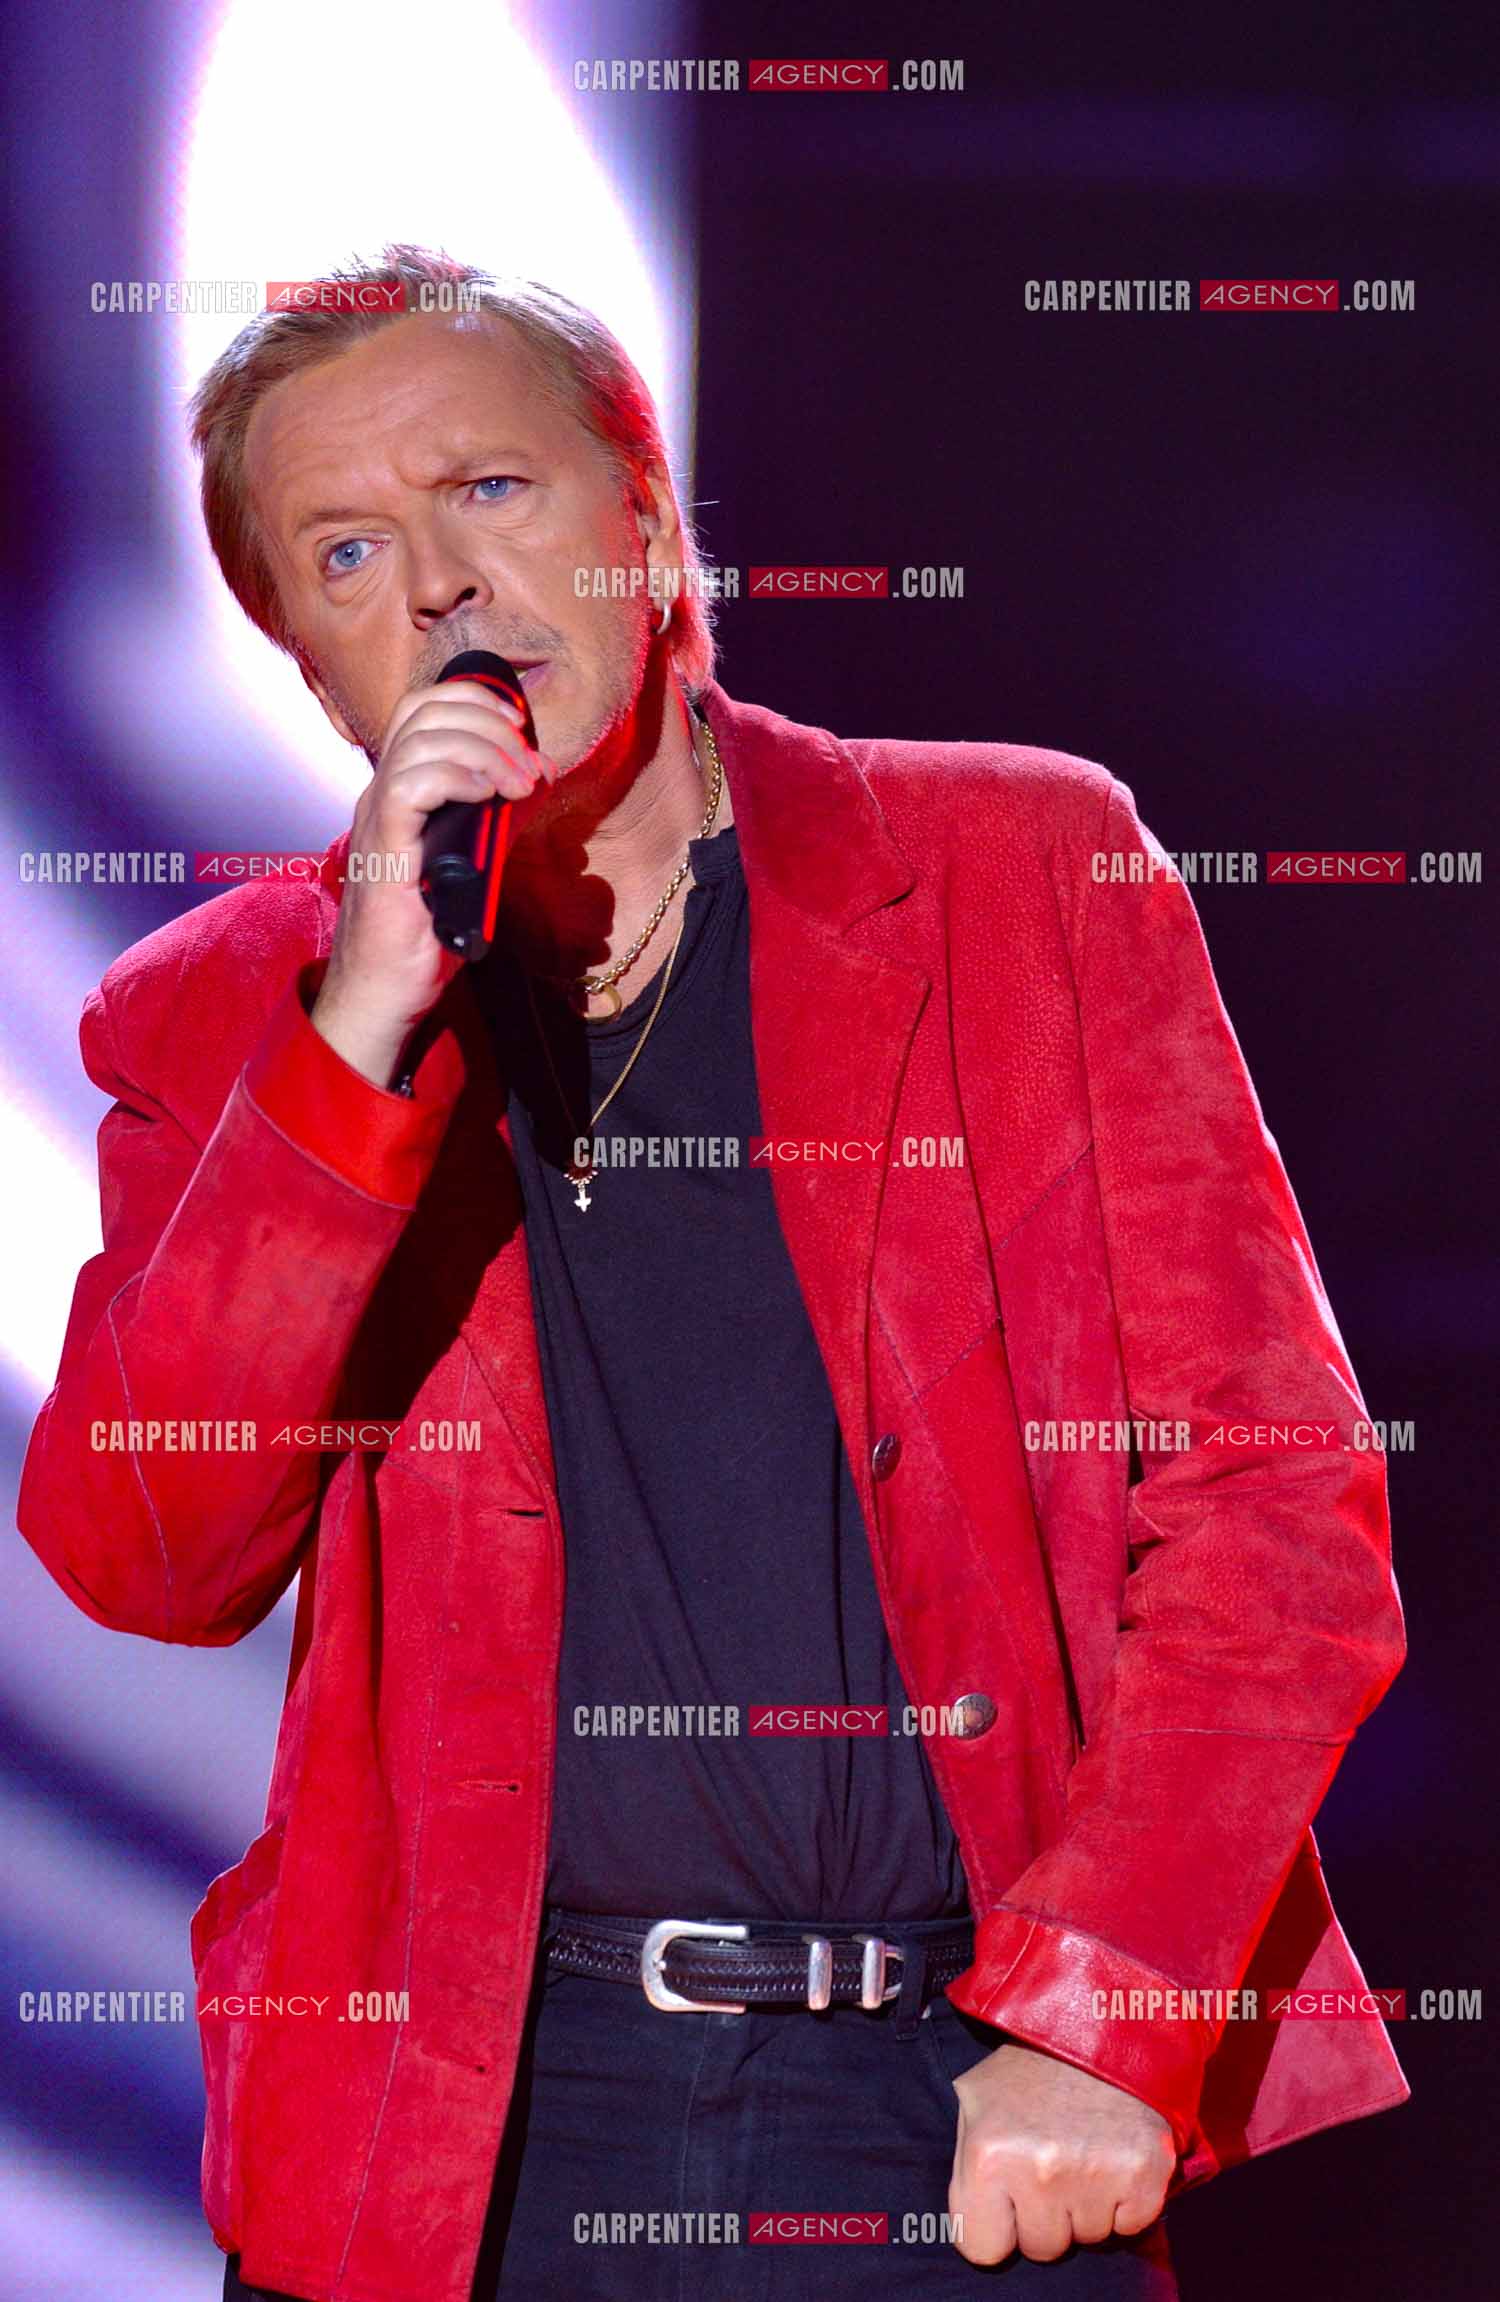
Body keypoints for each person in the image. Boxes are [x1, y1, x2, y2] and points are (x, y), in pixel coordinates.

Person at [18, 246, 1408, 2302]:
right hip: (470, 2138)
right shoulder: (234, 1019)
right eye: (343, 547)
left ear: (650, 534)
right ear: (311, 671)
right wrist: (362, 1030)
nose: (437, 585)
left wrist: (1103, 2020)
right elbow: (149, 1548)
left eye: (490, 489)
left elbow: (1275, 1501)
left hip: (953, 2109)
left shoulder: (1018, 873)